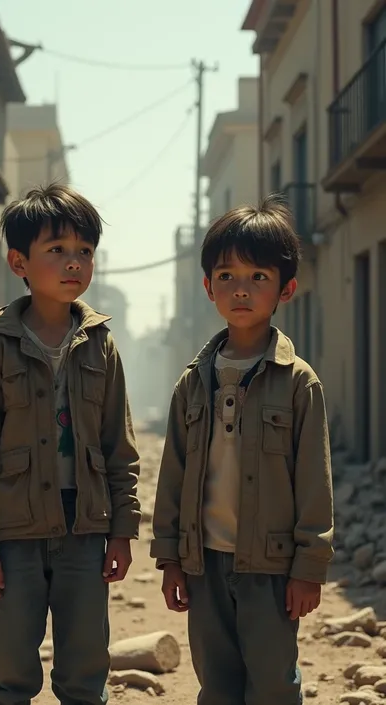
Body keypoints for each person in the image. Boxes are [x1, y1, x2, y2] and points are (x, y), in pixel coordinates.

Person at [0, 184, 140, 705]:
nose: (73, 263)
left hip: (85, 530)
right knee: (10, 667)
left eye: (84, 251)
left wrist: (122, 532)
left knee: (85, 668)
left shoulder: (102, 346)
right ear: (19, 261)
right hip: (14, 533)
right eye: (56, 250)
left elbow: (118, 447)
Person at [151, 195, 334, 705]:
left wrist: (309, 567)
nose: (241, 290)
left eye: (258, 277)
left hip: (272, 568)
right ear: (208, 287)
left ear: (286, 289)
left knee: (274, 682)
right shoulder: (194, 381)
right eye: (227, 276)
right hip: (204, 563)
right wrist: (170, 559)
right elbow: (173, 473)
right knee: (217, 681)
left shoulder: (299, 384)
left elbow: (315, 482)